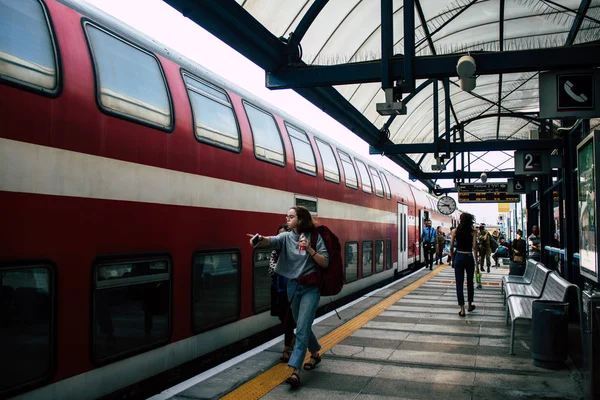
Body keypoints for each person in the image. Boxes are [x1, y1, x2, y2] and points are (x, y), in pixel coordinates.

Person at [248, 206, 329, 389]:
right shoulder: (285, 237)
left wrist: (309, 249)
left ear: (300, 220)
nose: (287, 219)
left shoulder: (315, 238)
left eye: (291, 216)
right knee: (302, 324)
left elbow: (325, 261)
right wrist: (260, 240)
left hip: (310, 288)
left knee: (300, 328)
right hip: (293, 286)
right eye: (287, 216)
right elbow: (272, 241)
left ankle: (295, 371)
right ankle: (315, 353)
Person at [269, 224, 296, 363]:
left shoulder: (291, 253)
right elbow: (271, 271)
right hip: (277, 288)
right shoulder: (275, 252)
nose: (280, 238)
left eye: (283, 235)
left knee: (288, 319)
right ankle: (293, 338)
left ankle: (287, 348)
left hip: (289, 289)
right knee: (281, 315)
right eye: (278, 235)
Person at [450, 213, 478, 317]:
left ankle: (462, 309)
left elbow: (451, 246)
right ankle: (470, 305)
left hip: (459, 257)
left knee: (459, 283)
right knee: (470, 282)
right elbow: (475, 247)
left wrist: (453, 259)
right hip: (469, 257)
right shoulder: (473, 231)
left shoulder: (455, 231)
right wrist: (477, 264)